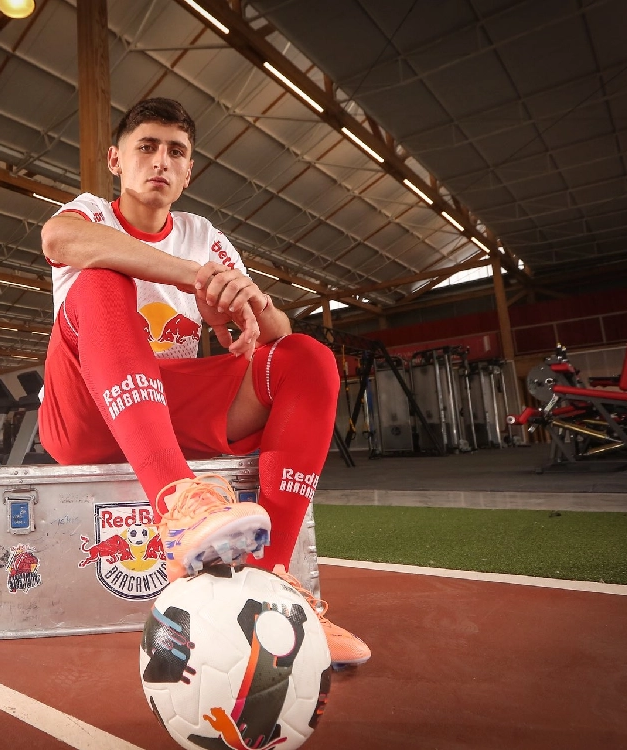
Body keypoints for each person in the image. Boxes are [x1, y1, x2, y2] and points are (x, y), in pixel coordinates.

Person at [37, 98, 370, 667]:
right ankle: (180, 502)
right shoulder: (90, 213)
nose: (160, 161)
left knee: (308, 357)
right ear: (116, 160)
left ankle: (273, 586)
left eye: (176, 152)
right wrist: (195, 279)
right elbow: (57, 241)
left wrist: (246, 302)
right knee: (100, 282)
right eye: (146, 147)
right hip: (86, 414)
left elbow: (278, 331)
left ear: (189, 171)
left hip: (168, 414)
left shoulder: (201, 234)